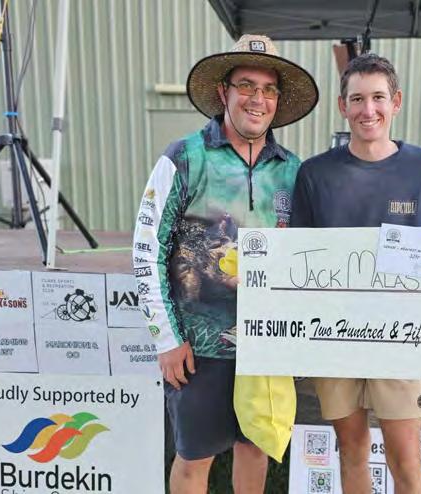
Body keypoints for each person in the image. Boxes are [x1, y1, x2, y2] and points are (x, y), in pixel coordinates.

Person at [290, 53, 421, 494]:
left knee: (406, 461)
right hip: (336, 337)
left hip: (401, 339)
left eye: (378, 98)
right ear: (343, 106)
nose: (368, 110)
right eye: (357, 99)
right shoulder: (315, 174)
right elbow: (294, 258)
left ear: (396, 102)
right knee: (351, 452)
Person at [133, 34, 318, 494]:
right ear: (223, 92)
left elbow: (306, 258)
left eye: (268, 89)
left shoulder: (292, 169)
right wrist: (166, 338)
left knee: (254, 451)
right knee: (194, 458)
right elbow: (147, 249)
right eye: (246, 85)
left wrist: (296, 340)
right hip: (197, 348)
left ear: (278, 100)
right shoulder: (185, 156)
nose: (257, 99)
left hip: (266, 347)